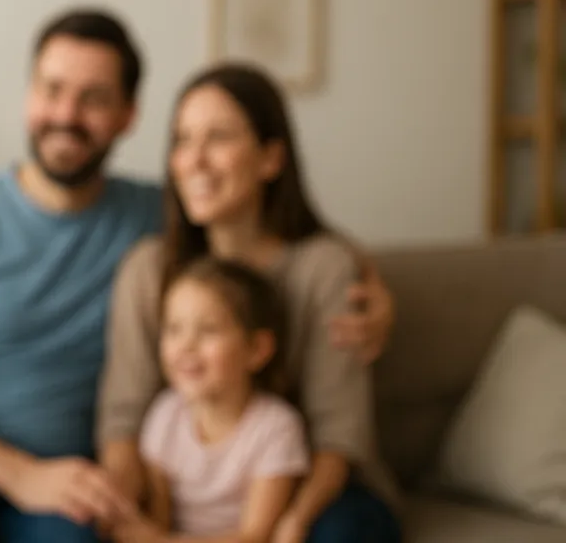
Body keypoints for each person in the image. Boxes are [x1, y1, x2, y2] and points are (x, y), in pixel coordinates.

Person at [0, 10, 395, 543]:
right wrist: (27, 478)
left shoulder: (158, 219)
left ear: (127, 115)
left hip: (70, 479)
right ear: (30, 96)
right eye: (52, 89)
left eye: (93, 98)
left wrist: (371, 283)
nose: (66, 113)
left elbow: (279, 232)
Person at [96, 62, 402, 543]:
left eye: (218, 137)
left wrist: (291, 523)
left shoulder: (323, 269)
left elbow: (339, 438)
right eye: (182, 139)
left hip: (317, 493)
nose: (194, 160)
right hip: (188, 500)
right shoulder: (149, 270)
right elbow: (123, 419)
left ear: (270, 158)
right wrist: (128, 518)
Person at [114, 257, 311, 542]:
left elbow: (255, 535)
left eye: (208, 330)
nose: (186, 346)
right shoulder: (164, 415)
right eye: (173, 329)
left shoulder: (276, 428)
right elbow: (160, 517)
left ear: (256, 349)